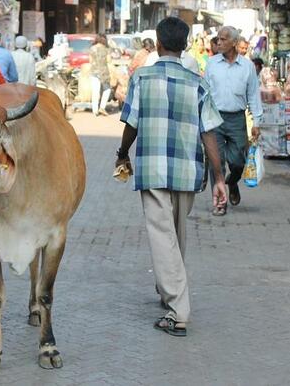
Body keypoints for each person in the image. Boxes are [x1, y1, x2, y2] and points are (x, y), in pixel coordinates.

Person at [116, 17, 227, 337]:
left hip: (153, 167)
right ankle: (169, 292)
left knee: (163, 236)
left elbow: (131, 123)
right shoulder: (198, 82)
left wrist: (123, 153)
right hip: (188, 169)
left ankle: (178, 311)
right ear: (184, 45)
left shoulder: (142, 78)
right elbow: (209, 134)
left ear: (159, 44)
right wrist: (218, 177)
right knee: (175, 235)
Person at [204, 26, 262, 216]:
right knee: (216, 162)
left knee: (238, 162)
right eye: (217, 39)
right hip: (215, 118)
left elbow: (253, 95)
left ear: (235, 43)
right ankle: (220, 202)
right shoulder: (212, 63)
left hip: (237, 119)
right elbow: (205, 92)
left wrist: (257, 122)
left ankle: (232, 182)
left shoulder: (247, 67)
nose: (218, 42)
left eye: (223, 39)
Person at [89, 33, 111, 116]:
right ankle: (102, 107)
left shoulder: (92, 48)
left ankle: (95, 111)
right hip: (104, 73)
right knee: (107, 89)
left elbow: (90, 61)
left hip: (94, 72)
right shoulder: (106, 49)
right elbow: (109, 60)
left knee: (95, 91)